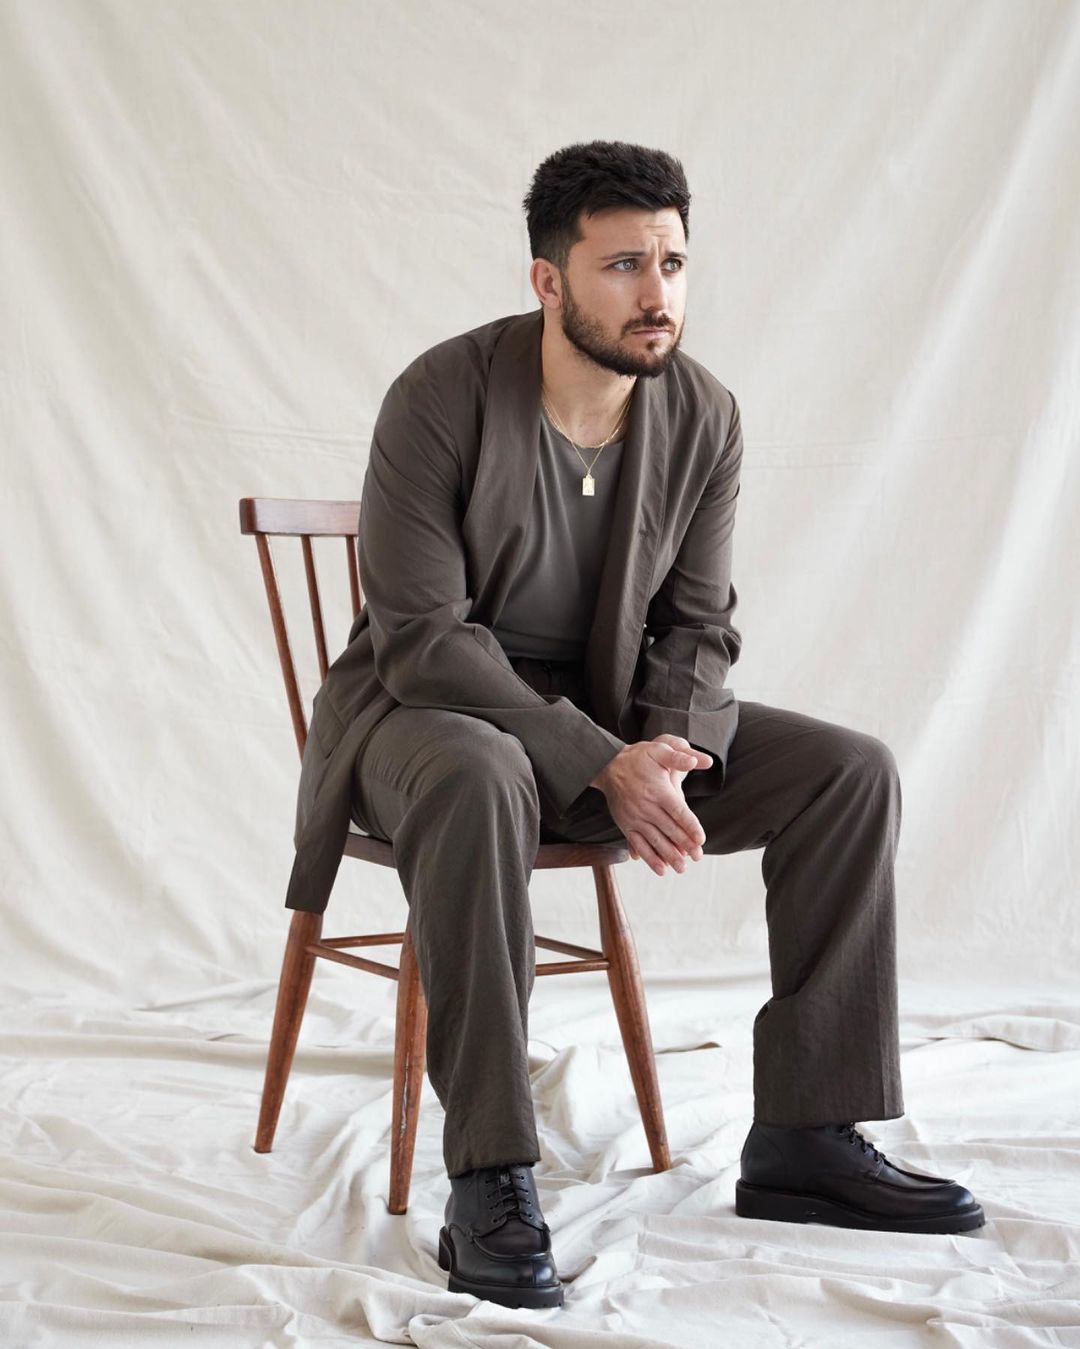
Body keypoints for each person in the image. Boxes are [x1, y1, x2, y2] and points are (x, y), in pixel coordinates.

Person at [284, 140, 985, 1310]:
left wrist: (662, 748)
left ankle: (808, 1134)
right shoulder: (439, 396)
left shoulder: (704, 414)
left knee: (849, 772)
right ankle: (491, 1177)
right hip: (430, 719)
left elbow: (698, 624)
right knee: (478, 773)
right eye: (621, 266)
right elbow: (423, 637)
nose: (657, 294)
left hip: (611, 720)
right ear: (547, 280)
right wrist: (598, 758)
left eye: (672, 263)